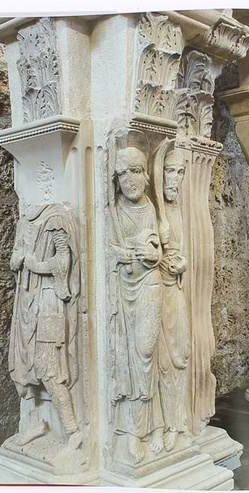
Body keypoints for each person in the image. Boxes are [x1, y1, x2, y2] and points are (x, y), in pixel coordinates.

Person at [8, 203, 83, 449]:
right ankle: (36, 422)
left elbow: (64, 260)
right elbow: (13, 259)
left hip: (49, 300)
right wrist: (18, 260)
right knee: (27, 364)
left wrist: (37, 266)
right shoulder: (24, 221)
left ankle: (73, 430)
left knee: (48, 368)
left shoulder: (56, 217)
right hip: (27, 302)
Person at [110, 146, 164, 464]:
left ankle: (151, 427)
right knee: (127, 361)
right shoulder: (114, 210)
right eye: (122, 173)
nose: (129, 179)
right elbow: (108, 250)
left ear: (145, 174)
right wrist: (122, 253)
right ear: (116, 179)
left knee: (145, 352)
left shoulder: (149, 208)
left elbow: (155, 252)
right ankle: (136, 431)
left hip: (149, 285)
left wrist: (145, 253)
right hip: (122, 289)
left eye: (135, 171)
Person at [156, 147, 191, 451]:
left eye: (180, 172)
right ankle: (165, 425)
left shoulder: (177, 209)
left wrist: (178, 261)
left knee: (180, 358)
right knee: (162, 363)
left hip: (174, 291)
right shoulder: (154, 210)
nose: (176, 178)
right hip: (155, 294)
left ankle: (179, 423)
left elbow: (180, 252)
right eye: (170, 170)